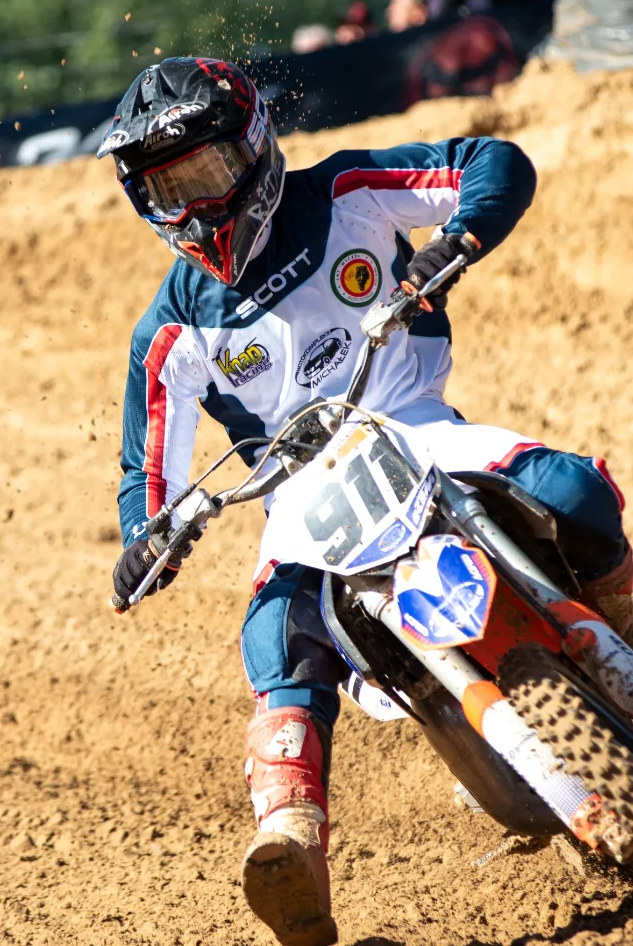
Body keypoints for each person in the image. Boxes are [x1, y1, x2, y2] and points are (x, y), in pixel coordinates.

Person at [100, 56, 632, 946]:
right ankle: (290, 838)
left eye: (206, 174)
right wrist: (148, 538)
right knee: (275, 631)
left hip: (416, 425)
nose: (192, 208)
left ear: (253, 146)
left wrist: (455, 241)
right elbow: (145, 475)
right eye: (167, 189)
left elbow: (493, 162)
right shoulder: (171, 329)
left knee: (571, 489)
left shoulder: (347, 193)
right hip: (299, 500)